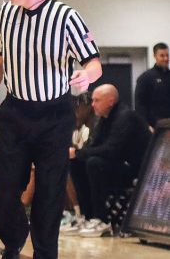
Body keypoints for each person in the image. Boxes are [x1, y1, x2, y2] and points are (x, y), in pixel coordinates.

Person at [0, 0, 103, 259]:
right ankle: (14, 240)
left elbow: (94, 63)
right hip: (15, 111)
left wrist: (86, 75)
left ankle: (45, 253)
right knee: (6, 190)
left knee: (49, 191)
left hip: (54, 116)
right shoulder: (6, 12)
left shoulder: (66, 17)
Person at [68, 84, 151, 238]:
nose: (92, 105)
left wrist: (80, 153)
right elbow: (94, 145)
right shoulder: (105, 119)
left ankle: (102, 220)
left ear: (110, 101)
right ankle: (87, 216)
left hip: (136, 170)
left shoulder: (126, 116)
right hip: (118, 165)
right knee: (76, 162)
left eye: (96, 100)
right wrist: (77, 154)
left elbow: (112, 150)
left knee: (94, 163)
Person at [135, 42, 170, 132]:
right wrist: (146, 125)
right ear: (155, 56)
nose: (166, 58)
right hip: (154, 128)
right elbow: (140, 106)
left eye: (167, 55)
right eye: (162, 56)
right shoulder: (145, 78)